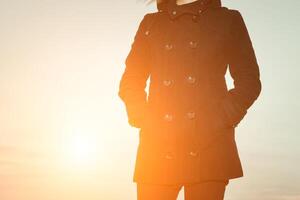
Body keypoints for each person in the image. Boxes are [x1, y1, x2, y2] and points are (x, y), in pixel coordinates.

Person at [118, 0, 262, 199]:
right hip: (158, 148)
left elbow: (249, 81)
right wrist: (143, 116)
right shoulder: (151, 23)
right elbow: (131, 79)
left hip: (209, 145)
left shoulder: (228, 20)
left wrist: (217, 120)